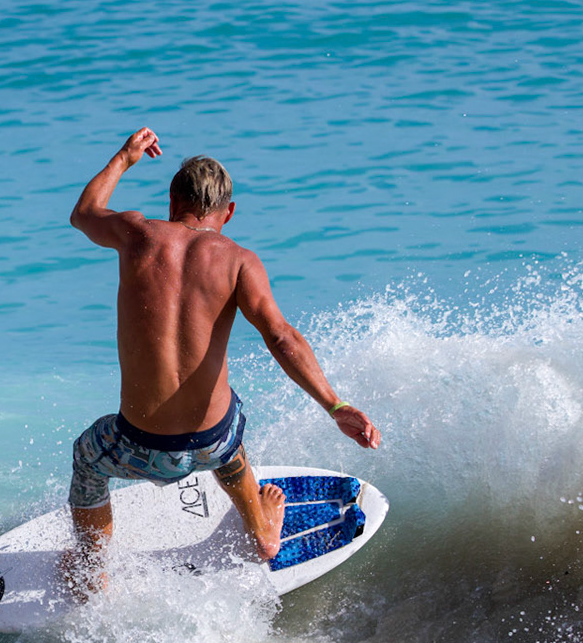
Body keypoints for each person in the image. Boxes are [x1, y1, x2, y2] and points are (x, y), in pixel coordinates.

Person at [61, 126, 382, 594]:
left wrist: (126, 158)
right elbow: (282, 337)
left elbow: (83, 213)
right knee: (229, 421)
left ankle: (93, 571)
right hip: (214, 443)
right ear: (228, 213)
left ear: (172, 203)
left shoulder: (136, 234)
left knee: (87, 458)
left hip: (138, 446)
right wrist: (335, 406)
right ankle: (262, 531)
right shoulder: (239, 261)